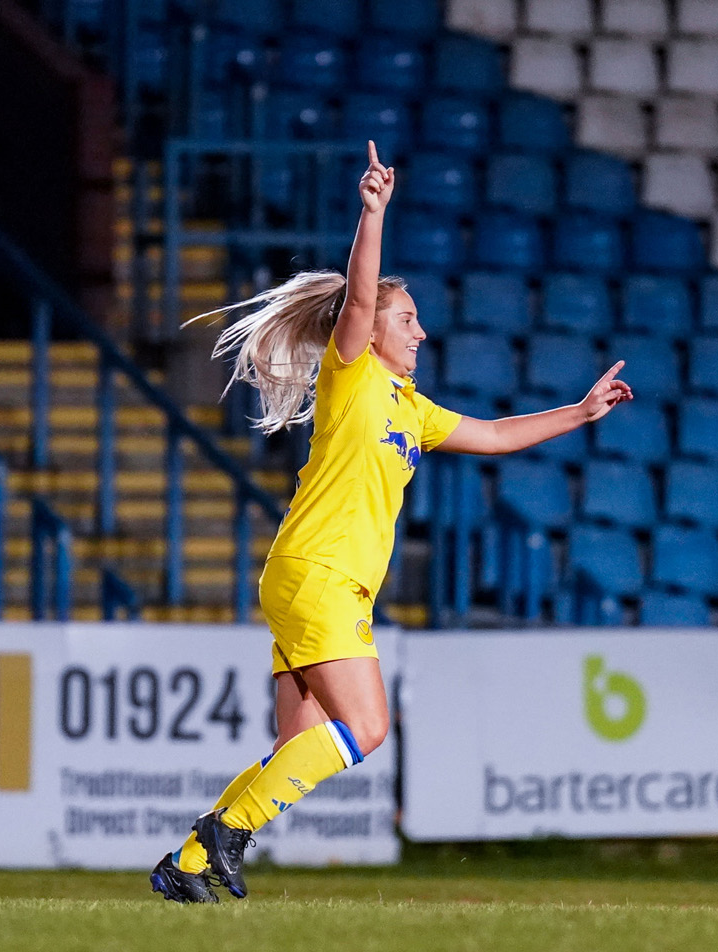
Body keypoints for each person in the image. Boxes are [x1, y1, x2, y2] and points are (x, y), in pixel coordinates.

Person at [150, 142, 635, 902]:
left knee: (300, 746)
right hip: (320, 578)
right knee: (366, 731)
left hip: (310, 578)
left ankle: (184, 865)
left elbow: (499, 435)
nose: (420, 333)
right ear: (370, 328)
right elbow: (360, 295)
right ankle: (228, 830)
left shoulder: (413, 409)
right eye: (407, 319)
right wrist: (372, 213)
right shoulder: (351, 375)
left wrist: (580, 412)